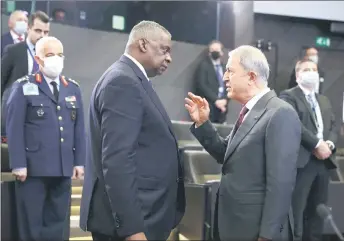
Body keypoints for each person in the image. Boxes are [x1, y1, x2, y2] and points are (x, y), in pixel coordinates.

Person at [80, 20, 185, 241]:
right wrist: (132, 229)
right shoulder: (123, 82)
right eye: (164, 49)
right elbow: (117, 160)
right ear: (143, 44)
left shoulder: (130, 78)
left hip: (144, 216)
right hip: (133, 225)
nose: (169, 58)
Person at [185, 45, 301, 241]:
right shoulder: (249, 113)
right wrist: (203, 123)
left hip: (256, 231)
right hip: (235, 226)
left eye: (230, 71)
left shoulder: (280, 113)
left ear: (251, 77)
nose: (224, 77)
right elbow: (226, 154)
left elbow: (281, 184)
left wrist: (268, 236)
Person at [6, 36, 86, 241]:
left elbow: (78, 128)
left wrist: (79, 162)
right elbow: (14, 128)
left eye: (60, 55)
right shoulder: (24, 86)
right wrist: (18, 164)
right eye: (50, 55)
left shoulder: (72, 88)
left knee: (58, 225)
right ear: (39, 58)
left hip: (62, 169)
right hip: (33, 170)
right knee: (31, 226)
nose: (56, 60)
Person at [280, 60, 337, 241]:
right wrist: (316, 144)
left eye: (314, 69)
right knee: (297, 212)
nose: (311, 72)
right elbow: (293, 123)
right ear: (298, 75)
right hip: (302, 162)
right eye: (306, 70)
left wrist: (329, 144)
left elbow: (334, 126)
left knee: (317, 213)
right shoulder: (288, 96)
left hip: (323, 163)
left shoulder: (324, 100)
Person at [1, 11, 50, 136]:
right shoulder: (14, 51)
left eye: (46, 32)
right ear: (28, 28)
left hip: (37, 119)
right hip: (13, 114)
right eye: (38, 31)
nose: (42, 36)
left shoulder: (50, 56)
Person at [194, 40, 229, 123]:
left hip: (222, 108)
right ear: (209, 52)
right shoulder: (203, 66)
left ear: (221, 52)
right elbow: (202, 85)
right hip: (208, 107)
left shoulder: (225, 68)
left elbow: (229, 85)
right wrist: (216, 100)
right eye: (212, 50)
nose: (215, 52)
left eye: (217, 50)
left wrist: (225, 100)